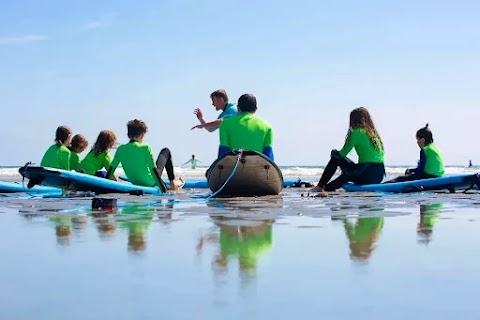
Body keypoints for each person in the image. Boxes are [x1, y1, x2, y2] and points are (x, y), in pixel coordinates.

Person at [310, 107, 385, 193]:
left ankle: (320, 186)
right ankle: (327, 186)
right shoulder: (373, 134)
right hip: (378, 176)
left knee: (335, 154)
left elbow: (342, 153)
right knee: (331, 186)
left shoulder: (357, 132)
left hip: (365, 175)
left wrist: (333, 154)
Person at [106, 119, 183, 191]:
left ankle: (175, 183)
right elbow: (154, 170)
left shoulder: (120, 149)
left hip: (135, 182)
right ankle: (174, 183)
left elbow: (111, 169)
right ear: (142, 135)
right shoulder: (145, 147)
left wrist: (104, 185)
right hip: (151, 183)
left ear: (128, 134)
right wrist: (163, 188)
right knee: (166, 150)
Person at [218, 93, 274, 160]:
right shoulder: (267, 127)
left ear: (238, 108)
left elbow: (223, 154)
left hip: (233, 167)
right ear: (256, 109)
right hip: (258, 168)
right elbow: (269, 157)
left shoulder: (225, 124)